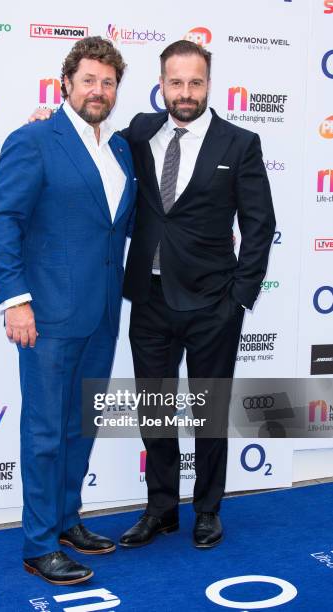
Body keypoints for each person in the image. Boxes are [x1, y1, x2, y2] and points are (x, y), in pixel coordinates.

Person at [29, 40, 275, 551]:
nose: (185, 93)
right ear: (161, 85)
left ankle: (207, 510)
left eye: (195, 82)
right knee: (156, 412)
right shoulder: (137, 134)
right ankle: (161, 509)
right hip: (149, 299)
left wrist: (241, 298)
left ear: (209, 84)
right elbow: (84, 140)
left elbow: (259, 225)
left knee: (208, 413)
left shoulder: (240, 143)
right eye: (176, 82)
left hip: (214, 304)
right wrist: (42, 122)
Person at [0, 37, 137, 585]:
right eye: (89, 80)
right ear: (66, 84)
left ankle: (68, 521)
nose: (99, 90)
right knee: (46, 432)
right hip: (45, 317)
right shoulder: (33, 139)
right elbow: (3, 222)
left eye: (108, 82)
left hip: (100, 316)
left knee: (80, 429)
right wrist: (15, 300)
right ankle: (38, 543)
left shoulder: (120, 150)